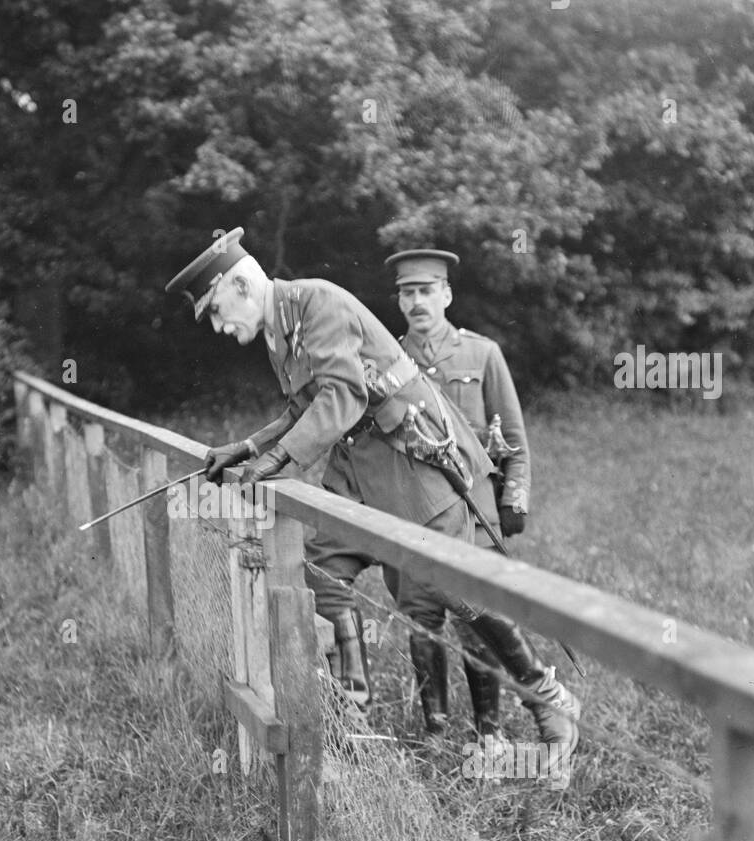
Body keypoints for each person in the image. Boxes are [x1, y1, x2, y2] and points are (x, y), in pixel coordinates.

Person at [164, 228, 580, 766]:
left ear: (243, 285)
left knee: (458, 591)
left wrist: (278, 460)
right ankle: (349, 714)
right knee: (319, 572)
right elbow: (304, 407)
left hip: (416, 467)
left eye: (219, 311)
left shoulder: (317, 303)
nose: (220, 327)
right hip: (358, 472)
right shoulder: (276, 328)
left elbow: (345, 392)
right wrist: (245, 448)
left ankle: (547, 696)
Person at [390, 249, 531, 744]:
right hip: (414, 516)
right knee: (421, 622)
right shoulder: (388, 359)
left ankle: (488, 732)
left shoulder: (482, 354)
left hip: (475, 517)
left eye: (426, 291)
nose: (416, 302)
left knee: (477, 624)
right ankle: (434, 730)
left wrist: (515, 499)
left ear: (446, 295)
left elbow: (513, 436)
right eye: (407, 293)